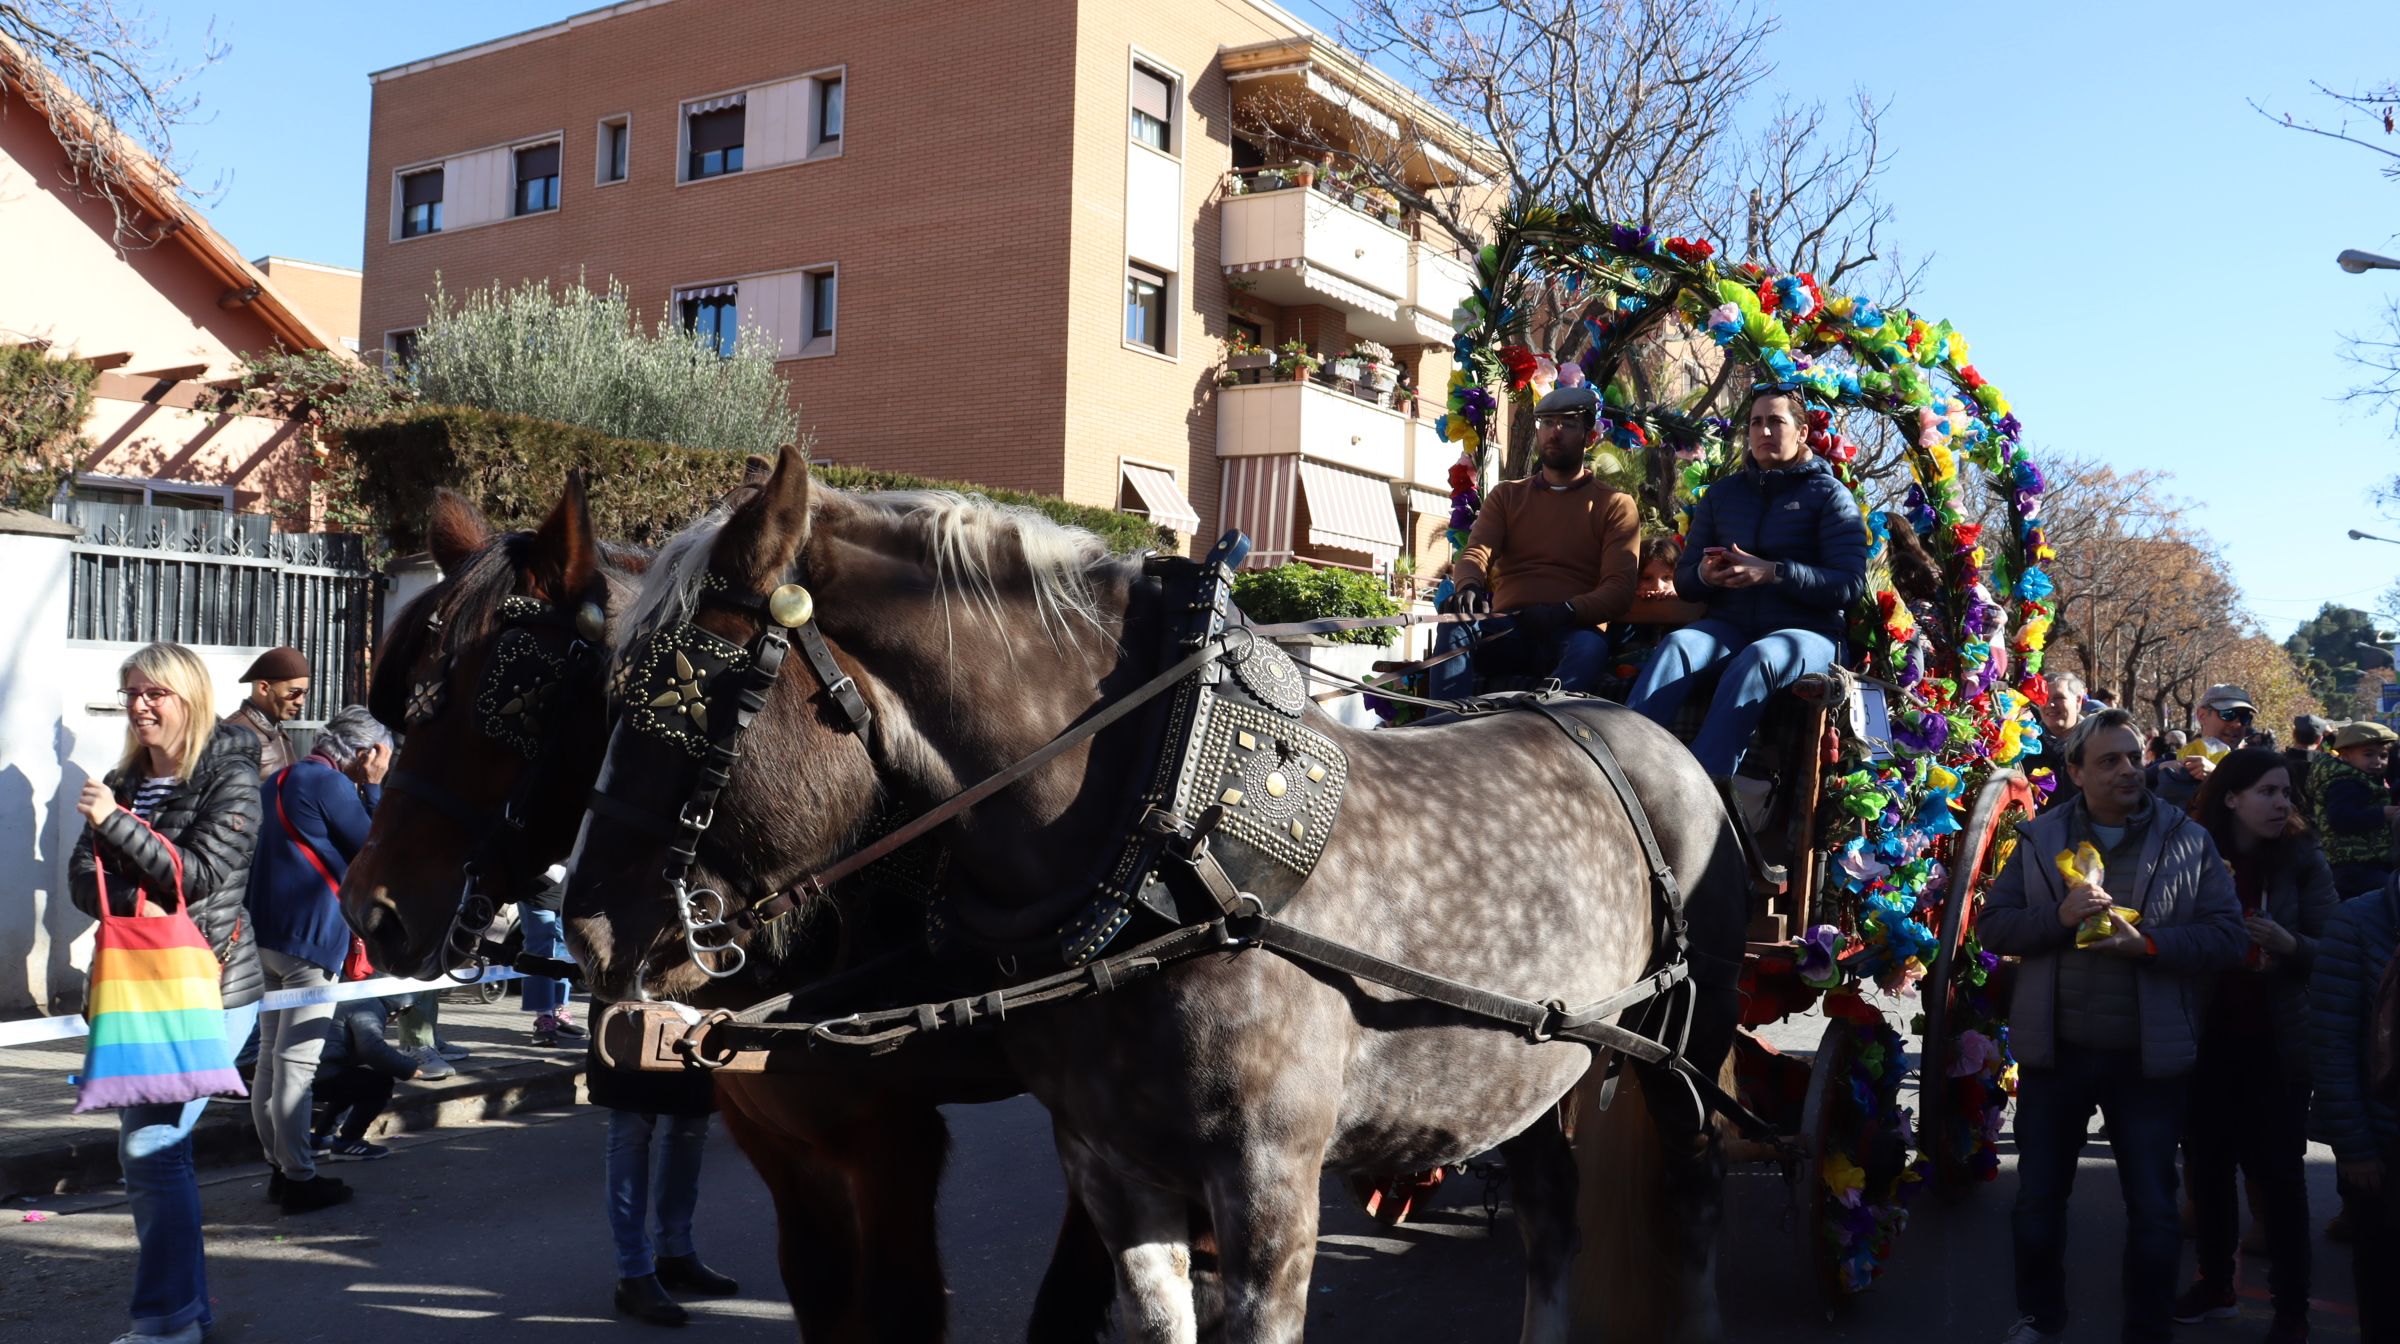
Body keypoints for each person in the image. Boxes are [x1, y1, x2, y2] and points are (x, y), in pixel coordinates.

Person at [1977, 708, 2248, 1344]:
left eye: (2134, 756)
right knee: (2037, 1204)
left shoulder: (2188, 839)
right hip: (2057, 1054)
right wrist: (2059, 917)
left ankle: (2147, 1329)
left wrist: (2148, 947)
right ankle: (2042, 1318)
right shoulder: (2040, 840)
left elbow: (2227, 938)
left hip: (2146, 1058)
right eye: (2110, 760)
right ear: (2075, 771)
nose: (2129, 769)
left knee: (2154, 1210)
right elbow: (1995, 927)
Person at [69, 642, 266, 1344]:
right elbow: (80, 878)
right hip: (138, 984)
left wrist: (113, 826)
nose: (140, 705)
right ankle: (187, 1309)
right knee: (157, 1149)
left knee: (152, 1148)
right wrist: (135, 898)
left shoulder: (232, 776)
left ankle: (167, 1320)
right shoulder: (122, 778)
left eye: (155, 692)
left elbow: (202, 873)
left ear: (188, 697)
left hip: (211, 986)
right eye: (130, 692)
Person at [2172, 749, 2339, 1341]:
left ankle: (2291, 1309)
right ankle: (2214, 1284)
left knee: (2280, 1177)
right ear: (2232, 798)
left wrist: (2288, 943)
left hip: (2278, 1044)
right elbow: (2167, 934)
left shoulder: (2301, 859)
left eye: (2286, 793)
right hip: (2207, 1039)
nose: (2281, 803)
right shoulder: (2192, 853)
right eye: (2268, 792)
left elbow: (2334, 951)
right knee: (2209, 1168)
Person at [1627, 381, 1868, 781]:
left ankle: (1701, 790)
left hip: (1809, 633)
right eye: (1756, 423)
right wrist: (1705, 574)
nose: (1764, 432)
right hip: (1730, 625)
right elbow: (1685, 581)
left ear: (1802, 432)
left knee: (1760, 659)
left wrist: (1772, 572)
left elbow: (1848, 585)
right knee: (1678, 646)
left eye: (1776, 422)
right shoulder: (1723, 496)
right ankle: (1622, 774)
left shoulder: (1831, 497)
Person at [245, 706, 391, 1212]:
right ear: (366, 753)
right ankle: (301, 1178)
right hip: (311, 937)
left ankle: (279, 1168)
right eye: (382, 758)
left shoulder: (280, 779)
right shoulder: (328, 785)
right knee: (297, 1066)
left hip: (265, 935)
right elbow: (377, 849)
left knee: (270, 1058)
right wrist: (373, 788)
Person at [1432, 382, 1640, 696]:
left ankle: (1546, 716)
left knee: (1590, 648)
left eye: (1568, 424)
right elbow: (1475, 553)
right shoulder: (1506, 495)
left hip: (1573, 631)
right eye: (1546, 423)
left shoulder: (1615, 504)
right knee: (1455, 623)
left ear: (1590, 436)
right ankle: (1442, 727)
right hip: (1509, 628)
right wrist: (1469, 587)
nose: (1554, 432)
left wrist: (1567, 611)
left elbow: (1619, 590)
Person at [590, 1028, 739, 1325]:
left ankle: (675, 1253)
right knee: (631, 1129)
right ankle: (633, 1274)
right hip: (633, 1003)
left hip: (695, 1009)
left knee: (691, 1127)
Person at [2310, 872, 2400, 1344]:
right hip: (2383, 1144)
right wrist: (2355, 1147)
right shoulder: (2358, 923)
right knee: (2384, 1286)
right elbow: (2332, 1045)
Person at [309, 995, 423, 1162]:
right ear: (399, 1006)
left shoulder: (354, 997)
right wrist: (409, 1068)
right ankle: (349, 1142)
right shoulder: (369, 1006)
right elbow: (372, 1049)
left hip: (304, 1070)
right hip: (314, 1074)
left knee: (354, 1082)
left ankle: (321, 1139)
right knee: (380, 1083)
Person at [2312, 720, 2400, 899]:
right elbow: (2341, 819)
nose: (2377, 762)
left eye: (2383, 756)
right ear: (2345, 755)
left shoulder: (2364, 778)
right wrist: (2382, 814)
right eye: (2368, 755)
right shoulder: (2345, 783)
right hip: (2353, 867)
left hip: (2367, 863)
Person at [2156, 684, 2255, 812]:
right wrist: (2161, 768)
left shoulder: (2254, 766)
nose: (2237, 724)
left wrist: (2216, 775)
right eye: (2228, 714)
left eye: (2245, 717)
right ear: (2202, 715)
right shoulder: (2171, 761)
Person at [520, 867, 586, 1047]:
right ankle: (543, 1017)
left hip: (567, 889)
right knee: (540, 948)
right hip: (536, 887)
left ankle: (559, 1010)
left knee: (566, 947)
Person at [221, 646, 310, 778]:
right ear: (263, 688)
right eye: (294, 692)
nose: (300, 701)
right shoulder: (235, 736)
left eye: (304, 693)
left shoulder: (275, 729)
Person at [2027, 671, 2087, 814]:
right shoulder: (2024, 748)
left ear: (2078, 700)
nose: (2050, 704)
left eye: (2059, 697)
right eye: (2044, 698)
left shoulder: (2096, 744)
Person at [2286, 716, 2329, 813]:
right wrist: (2331, 735)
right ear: (2319, 740)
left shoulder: (2278, 763)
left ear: (2293, 734)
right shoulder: (2327, 766)